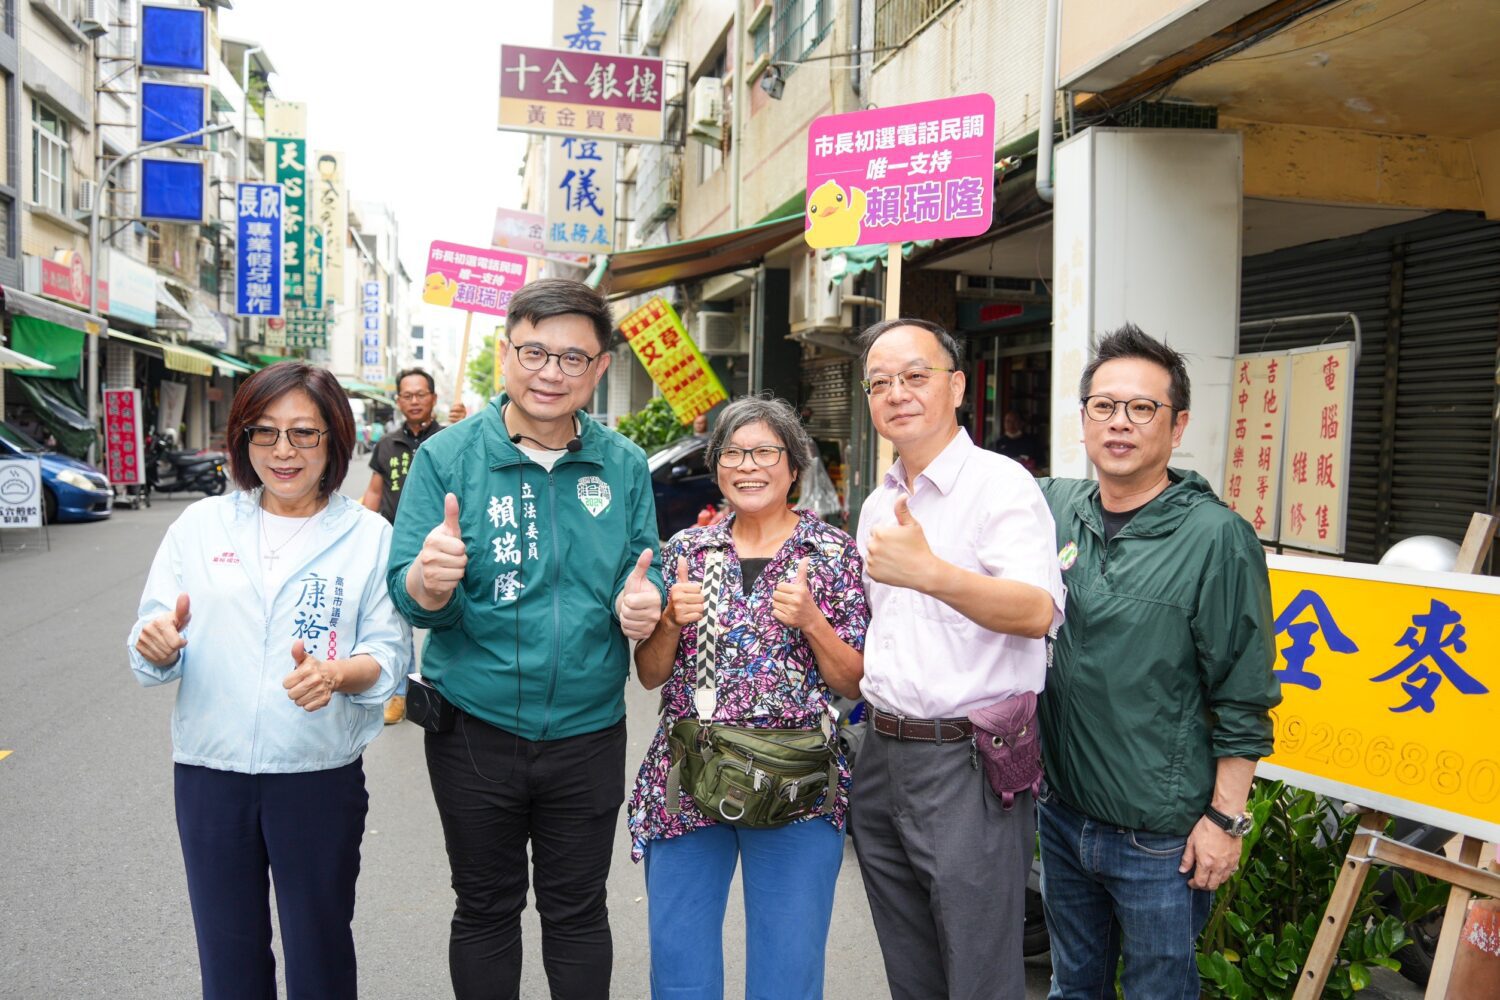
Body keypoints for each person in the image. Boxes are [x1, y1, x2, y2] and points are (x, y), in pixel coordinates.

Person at [386, 278, 664, 1000]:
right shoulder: (447, 458)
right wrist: (431, 581)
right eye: (534, 351)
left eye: (573, 358)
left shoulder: (624, 465)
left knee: (577, 912)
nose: (550, 372)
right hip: (475, 728)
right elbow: (408, 593)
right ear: (504, 353)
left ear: (600, 368)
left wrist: (646, 604)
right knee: (485, 907)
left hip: (588, 731)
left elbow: (646, 570)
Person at [127, 360, 409, 1000]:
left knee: (320, 952)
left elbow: (388, 655)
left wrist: (338, 674)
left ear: (334, 439)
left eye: (304, 433)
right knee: (227, 958)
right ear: (241, 439)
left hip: (316, 776)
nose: (283, 451)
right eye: (264, 432)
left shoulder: (369, 537)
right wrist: (157, 642)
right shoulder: (199, 527)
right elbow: (154, 633)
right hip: (210, 774)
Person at [1036, 324, 1280, 999]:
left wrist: (1225, 821)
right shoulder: (1056, 509)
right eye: (1103, 406)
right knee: (1071, 989)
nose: (1120, 424)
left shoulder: (1216, 538)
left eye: (1142, 408)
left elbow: (1244, 691)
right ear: (1083, 419)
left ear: (1177, 427)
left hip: (1161, 839)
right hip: (1061, 816)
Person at [851, 318, 1066, 1000]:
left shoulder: (1000, 486)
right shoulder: (879, 502)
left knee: (978, 972)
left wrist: (931, 571)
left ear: (957, 385)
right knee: (909, 965)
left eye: (916, 376)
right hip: (881, 752)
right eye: (880, 383)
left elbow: (1038, 610)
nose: (898, 393)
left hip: (966, 761)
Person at [629, 396, 869, 1000]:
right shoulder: (688, 549)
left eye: (765, 452)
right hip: (690, 776)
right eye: (733, 453)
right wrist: (668, 625)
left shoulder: (831, 554)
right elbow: (651, 676)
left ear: (794, 466)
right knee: (680, 966)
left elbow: (855, 682)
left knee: (788, 971)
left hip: (797, 784)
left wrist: (813, 622)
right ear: (718, 466)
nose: (749, 466)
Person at [361, 366, 467, 723]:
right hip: (401, 547)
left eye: (421, 394)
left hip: (446, 547)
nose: (415, 401)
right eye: (407, 395)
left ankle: (442, 685)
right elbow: (374, 493)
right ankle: (401, 691)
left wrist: (460, 425)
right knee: (400, 618)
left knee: (446, 615)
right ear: (398, 400)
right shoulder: (387, 444)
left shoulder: (450, 438)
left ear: (434, 399)